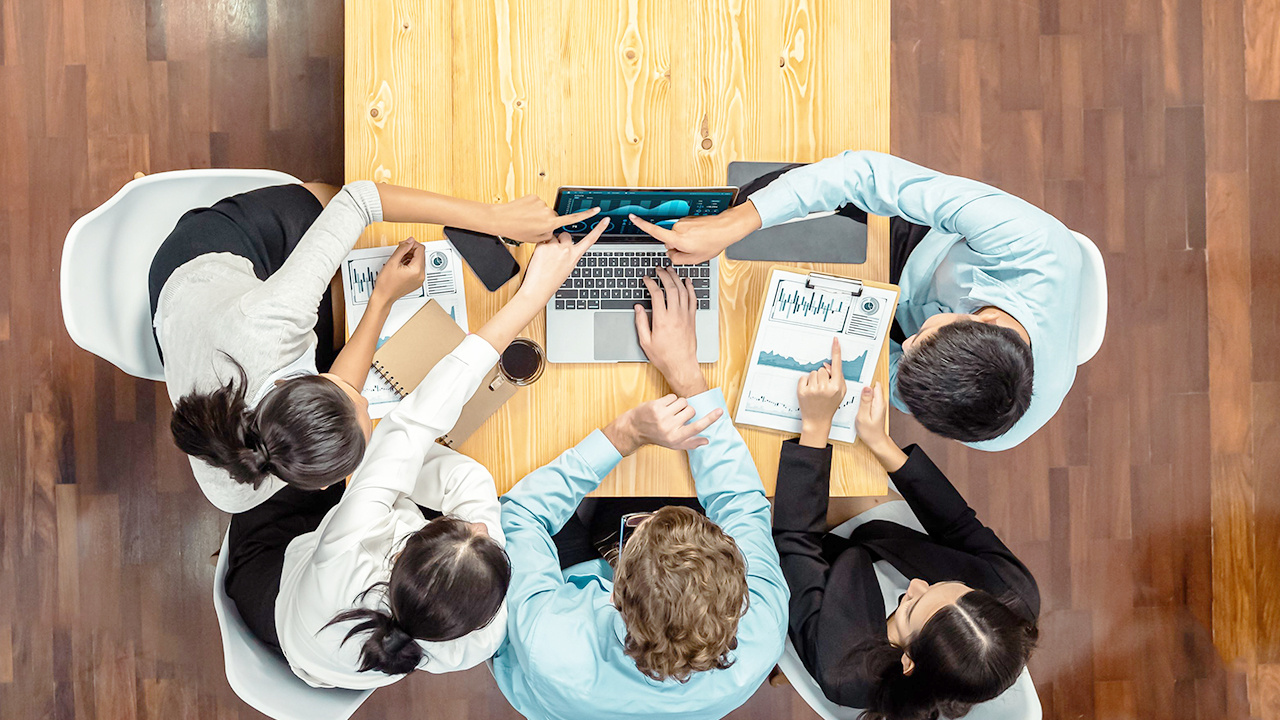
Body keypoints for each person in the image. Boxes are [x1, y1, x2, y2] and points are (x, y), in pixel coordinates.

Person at [227, 221, 613, 689]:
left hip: (272, 585)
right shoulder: (476, 635)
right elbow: (464, 485)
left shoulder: (348, 547)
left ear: (402, 550)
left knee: (304, 435)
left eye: (462, 529)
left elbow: (409, 426)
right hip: (327, 647)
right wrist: (406, 473)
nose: (481, 526)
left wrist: (532, 297)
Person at [150, 180, 598, 513]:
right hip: (197, 335)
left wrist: (495, 219)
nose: (365, 396)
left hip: (196, 264)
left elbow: (359, 198)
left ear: (308, 381)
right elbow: (344, 388)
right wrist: (380, 299)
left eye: (351, 398)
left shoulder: (272, 321)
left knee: (322, 198)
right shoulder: (237, 489)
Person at [631, 151, 1082, 450]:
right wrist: (738, 222)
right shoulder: (1028, 240)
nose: (906, 343)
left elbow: (894, 377)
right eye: (923, 339)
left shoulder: (990, 428)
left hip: (878, 316)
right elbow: (863, 173)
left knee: (749, 328)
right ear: (977, 321)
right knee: (761, 201)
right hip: (921, 251)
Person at [490, 267, 789, 720]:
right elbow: (742, 504)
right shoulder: (763, 627)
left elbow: (519, 512)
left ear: (614, 587)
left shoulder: (549, 641)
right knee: (671, 477)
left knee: (522, 472)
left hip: (557, 633)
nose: (645, 519)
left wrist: (624, 434)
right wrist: (686, 374)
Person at [770, 343, 1040, 720]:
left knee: (769, 472)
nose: (915, 584)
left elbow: (793, 543)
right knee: (851, 461)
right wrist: (881, 443)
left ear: (908, 661)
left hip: (816, 573)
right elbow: (958, 525)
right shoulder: (1014, 596)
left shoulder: (846, 670)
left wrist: (815, 428)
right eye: (950, 586)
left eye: (914, 606)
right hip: (883, 540)